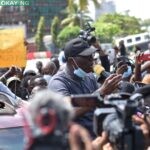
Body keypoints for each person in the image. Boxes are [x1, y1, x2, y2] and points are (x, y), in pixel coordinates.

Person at [48, 37, 122, 138]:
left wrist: (111, 92)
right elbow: (67, 113)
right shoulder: (58, 83)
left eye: (92, 56)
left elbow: (99, 105)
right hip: (77, 140)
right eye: (87, 57)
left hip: (97, 135)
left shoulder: (89, 76)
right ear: (72, 61)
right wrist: (101, 93)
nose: (92, 60)